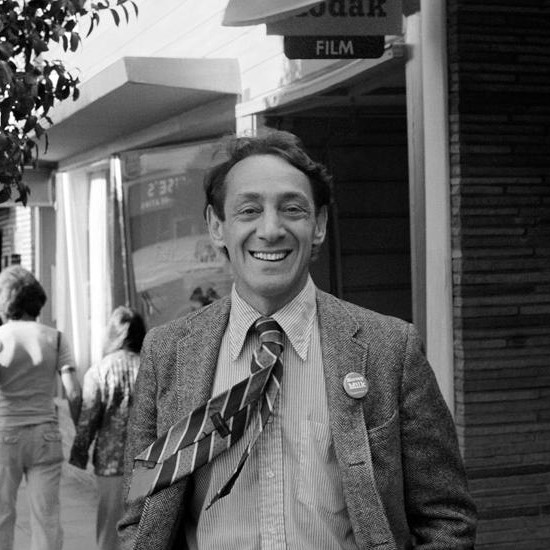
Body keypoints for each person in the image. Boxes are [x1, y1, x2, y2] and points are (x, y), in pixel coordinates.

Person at [119, 130, 477, 550]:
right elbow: (140, 511)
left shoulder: (389, 349)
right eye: (249, 210)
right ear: (217, 227)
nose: (270, 230)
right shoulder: (167, 353)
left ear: (319, 224)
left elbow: (445, 518)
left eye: (292, 209)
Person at [0, 265, 81, 550]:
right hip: (45, 436)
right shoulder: (56, 338)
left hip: (5, 433)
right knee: (46, 517)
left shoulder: (1, 338)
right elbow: (73, 392)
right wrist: (81, 434)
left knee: (2, 515)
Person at [69, 306, 146, 550]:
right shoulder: (151, 367)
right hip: (148, 463)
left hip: (109, 464)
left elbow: (88, 419)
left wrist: (79, 455)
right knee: (143, 531)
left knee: (109, 532)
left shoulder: (99, 371)